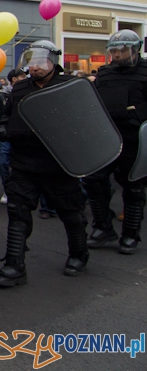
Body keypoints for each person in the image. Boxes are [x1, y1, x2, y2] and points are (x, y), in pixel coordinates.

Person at [0, 40, 89, 287]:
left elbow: (84, 121)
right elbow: (5, 117)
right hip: (24, 163)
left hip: (58, 164)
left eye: (40, 61)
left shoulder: (69, 86)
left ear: (53, 61)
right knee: (18, 213)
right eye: (31, 62)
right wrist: (2, 128)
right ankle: (14, 265)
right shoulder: (20, 88)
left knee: (70, 211)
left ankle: (78, 254)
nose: (34, 67)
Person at [85, 30, 147, 254]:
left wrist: (137, 113)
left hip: (135, 137)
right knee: (94, 180)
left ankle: (130, 233)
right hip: (107, 134)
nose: (118, 55)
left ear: (135, 50)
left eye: (122, 50)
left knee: (133, 185)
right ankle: (103, 227)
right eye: (114, 51)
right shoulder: (105, 73)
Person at [0, 69, 27, 204]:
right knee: (2, 163)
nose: (25, 79)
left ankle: (19, 189)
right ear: (14, 79)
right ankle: (8, 188)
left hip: (22, 136)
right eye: (22, 77)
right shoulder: (1, 97)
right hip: (6, 135)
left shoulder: (28, 94)